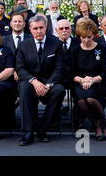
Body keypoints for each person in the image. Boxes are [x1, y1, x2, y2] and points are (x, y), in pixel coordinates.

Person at [16, 15, 66, 146]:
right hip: (31, 81)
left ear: (46, 27)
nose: (39, 31)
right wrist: (33, 81)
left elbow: (59, 68)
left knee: (60, 90)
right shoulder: (23, 45)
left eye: (41, 28)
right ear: (30, 29)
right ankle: (28, 131)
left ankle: (42, 129)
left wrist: (48, 85)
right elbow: (20, 68)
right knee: (24, 88)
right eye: (35, 28)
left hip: (50, 81)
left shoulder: (56, 43)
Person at [71, 18, 106, 141]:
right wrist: (83, 80)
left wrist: (92, 80)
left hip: (98, 82)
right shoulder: (75, 50)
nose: (86, 40)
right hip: (80, 83)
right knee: (82, 101)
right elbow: (72, 73)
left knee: (90, 99)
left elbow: (104, 72)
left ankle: (104, 125)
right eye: (83, 37)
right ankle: (97, 125)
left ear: (94, 35)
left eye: (89, 37)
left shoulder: (101, 49)